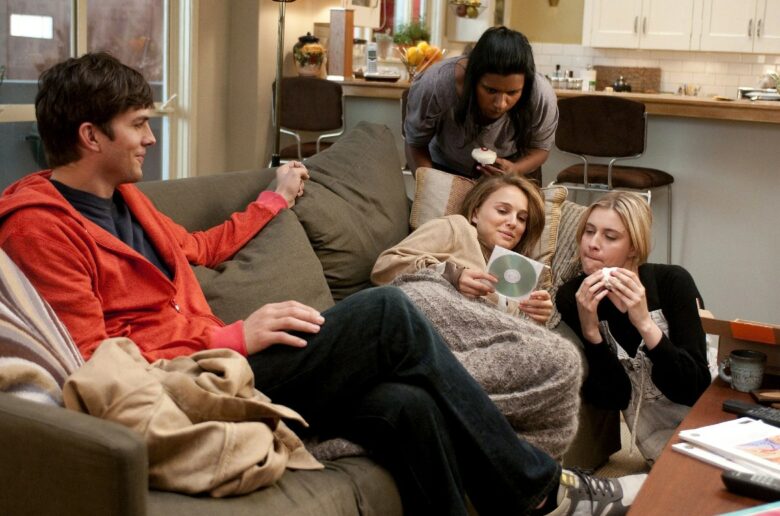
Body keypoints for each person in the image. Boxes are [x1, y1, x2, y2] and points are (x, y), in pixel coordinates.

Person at [0, 52, 644, 516]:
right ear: (91, 136)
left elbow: (196, 248)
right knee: (388, 312)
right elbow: (93, 361)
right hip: (191, 379)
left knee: (407, 405)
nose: (150, 136)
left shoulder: (124, 199)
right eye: (138, 123)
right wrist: (234, 336)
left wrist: (273, 199)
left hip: (222, 359)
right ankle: (541, 488)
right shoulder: (39, 227)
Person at [371, 174, 582, 457]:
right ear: (474, 213)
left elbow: (501, 336)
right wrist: (452, 275)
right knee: (560, 361)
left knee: (551, 371)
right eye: (503, 211)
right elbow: (385, 267)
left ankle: (524, 462)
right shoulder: (456, 227)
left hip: (471, 353)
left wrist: (536, 320)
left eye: (521, 219)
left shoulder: (514, 270)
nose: (513, 223)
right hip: (434, 330)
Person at [556, 191, 711, 463]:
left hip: (708, 423)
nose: (592, 244)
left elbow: (695, 388)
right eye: (589, 231)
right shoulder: (574, 296)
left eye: (610, 236)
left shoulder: (672, 282)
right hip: (658, 445)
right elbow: (613, 397)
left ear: (633, 248)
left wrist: (645, 324)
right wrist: (591, 332)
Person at [403, 26, 558, 182]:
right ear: (472, 77)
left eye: (512, 93)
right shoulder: (435, 84)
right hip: (445, 167)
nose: (500, 104)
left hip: (515, 169)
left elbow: (540, 148)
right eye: (491, 90)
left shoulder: (541, 95)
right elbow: (415, 144)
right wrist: (430, 186)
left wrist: (514, 169)